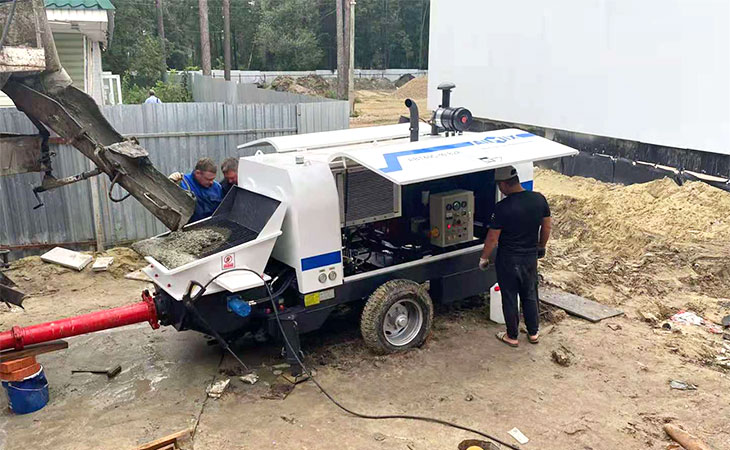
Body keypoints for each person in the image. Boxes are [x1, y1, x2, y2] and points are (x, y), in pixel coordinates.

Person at [479, 165, 552, 348]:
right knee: (529, 294)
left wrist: (484, 258)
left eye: (499, 185)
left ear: (503, 184)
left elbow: (493, 237)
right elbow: (547, 227)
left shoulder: (502, 207)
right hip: (529, 258)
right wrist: (541, 247)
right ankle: (533, 333)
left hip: (509, 259)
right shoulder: (539, 199)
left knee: (510, 296)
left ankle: (512, 336)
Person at [169, 158, 222, 222]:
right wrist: (170, 184)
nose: (211, 182)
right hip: (190, 227)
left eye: (213, 179)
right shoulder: (183, 183)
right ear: (197, 173)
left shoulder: (217, 188)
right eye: (208, 179)